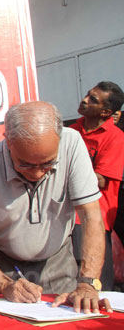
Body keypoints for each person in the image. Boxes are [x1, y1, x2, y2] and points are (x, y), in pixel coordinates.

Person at [0, 101, 111, 314]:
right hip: (2, 263)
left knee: (67, 318)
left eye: (48, 164)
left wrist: (88, 282)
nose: (38, 173)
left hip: (58, 260)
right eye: (26, 164)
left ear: (58, 140)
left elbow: (91, 215)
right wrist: (4, 284)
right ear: (8, 141)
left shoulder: (72, 144)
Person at [70, 81, 124, 291]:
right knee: (67, 285)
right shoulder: (71, 131)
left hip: (93, 220)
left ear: (106, 112)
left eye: (93, 100)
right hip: (65, 218)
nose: (84, 100)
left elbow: (101, 179)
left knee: (96, 287)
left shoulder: (115, 137)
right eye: (87, 95)